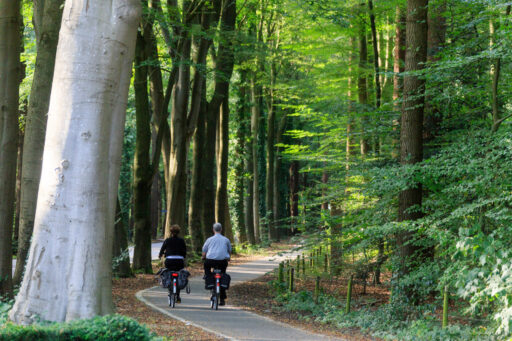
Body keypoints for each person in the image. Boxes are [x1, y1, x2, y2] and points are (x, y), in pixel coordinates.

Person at [202, 222, 232, 305]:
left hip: (210, 260)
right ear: (221, 230)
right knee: (222, 275)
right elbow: (229, 250)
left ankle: (208, 279)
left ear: (213, 230)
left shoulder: (209, 239)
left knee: (207, 268)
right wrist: (228, 257)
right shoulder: (226, 239)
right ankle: (222, 299)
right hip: (222, 261)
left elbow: (204, 251)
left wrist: (203, 257)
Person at [158, 224, 187, 303]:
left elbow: (162, 250)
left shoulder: (167, 240)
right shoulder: (181, 241)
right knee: (178, 276)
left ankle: (170, 289)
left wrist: (160, 255)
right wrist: (183, 256)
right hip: (179, 262)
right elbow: (184, 252)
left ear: (171, 232)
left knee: (169, 274)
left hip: (169, 261)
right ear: (178, 232)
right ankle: (177, 296)